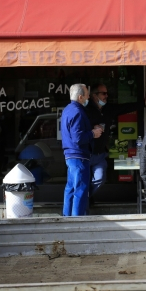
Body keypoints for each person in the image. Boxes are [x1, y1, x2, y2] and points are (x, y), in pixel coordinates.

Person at [85, 83, 146, 201]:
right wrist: (92, 129)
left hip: (100, 154)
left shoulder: (108, 109)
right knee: (83, 180)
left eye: (107, 93)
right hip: (87, 153)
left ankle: (85, 196)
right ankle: (84, 200)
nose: (106, 96)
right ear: (94, 95)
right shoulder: (86, 110)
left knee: (100, 178)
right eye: (103, 93)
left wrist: (142, 103)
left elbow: (124, 108)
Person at [60, 84, 103, 216]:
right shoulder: (78, 112)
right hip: (79, 155)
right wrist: (93, 133)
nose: (88, 97)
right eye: (86, 94)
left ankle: (67, 218)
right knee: (80, 190)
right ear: (80, 97)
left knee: (71, 188)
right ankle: (77, 220)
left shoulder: (68, 110)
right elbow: (78, 138)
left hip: (71, 155)